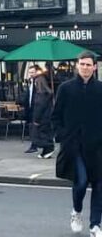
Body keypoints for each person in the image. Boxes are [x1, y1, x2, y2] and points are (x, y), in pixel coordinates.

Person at [52, 52, 102, 236]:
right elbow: (55, 116)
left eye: (89, 65)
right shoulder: (65, 88)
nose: (85, 67)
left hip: (97, 146)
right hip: (74, 145)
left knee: (99, 185)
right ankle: (76, 212)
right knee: (80, 182)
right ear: (77, 65)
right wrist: (62, 135)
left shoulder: (100, 89)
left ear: (95, 67)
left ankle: (95, 225)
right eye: (82, 64)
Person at [30, 74, 55, 159]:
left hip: (42, 117)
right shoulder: (48, 94)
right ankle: (46, 151)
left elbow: (40, 107)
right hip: (47, 116)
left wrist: (36, 119)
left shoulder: (41, 95)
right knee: (46, 134)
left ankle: (48, 149)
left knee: (41, 134)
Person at [23, 65, 41, 153]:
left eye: (32, 72)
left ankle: (35, 145)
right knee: (32, 126)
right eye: (30, 72)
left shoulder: (39, 82)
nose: (31, 74)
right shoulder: (31, 82)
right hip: (30, 107)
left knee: (35, 127)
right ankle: (34, 144)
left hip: (36, 107)